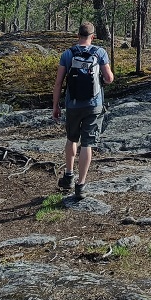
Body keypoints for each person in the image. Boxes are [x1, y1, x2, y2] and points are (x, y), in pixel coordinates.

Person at [52, 21, 114, 199]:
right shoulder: (100, 52)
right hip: (94, 105)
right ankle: (81, 185)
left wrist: (56, 105)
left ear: (77, 35)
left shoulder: (68, 54)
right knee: (87, 144)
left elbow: (58, 83)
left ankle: (69, 176)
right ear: (93, 36)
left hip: (72, 105)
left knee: (72, 139)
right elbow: (109, 79)